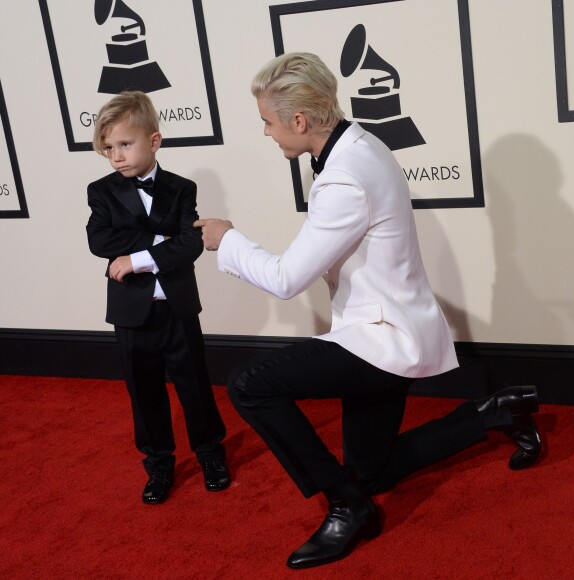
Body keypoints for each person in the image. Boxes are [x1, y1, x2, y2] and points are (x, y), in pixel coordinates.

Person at [195, 53, 541, 568]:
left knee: (249, 383)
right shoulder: (360, 143)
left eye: (267, 122)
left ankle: (345, 506)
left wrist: (228, 240)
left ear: (299, 120)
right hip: (386, 326)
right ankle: (496, 413)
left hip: (382, 338)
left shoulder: (343, 179)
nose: (265, 133)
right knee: (374, 470)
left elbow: (287, 279)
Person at [86, 91, 229, 505]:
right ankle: (159, 462)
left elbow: (190, 244)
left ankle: (209, 453)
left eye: (125, 144)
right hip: (132, 313)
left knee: (195, 386)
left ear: (154, 141)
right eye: (108, 148)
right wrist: (153, 244)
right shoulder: (101, 192)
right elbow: (99, 240)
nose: (116, 155)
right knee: (143, 391)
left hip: (178, 307)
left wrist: (135, 259)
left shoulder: (182, 189)